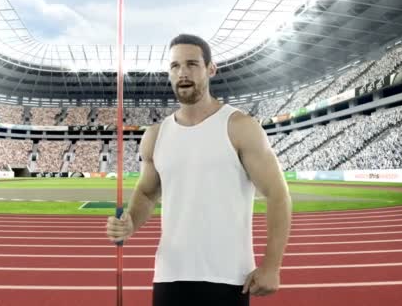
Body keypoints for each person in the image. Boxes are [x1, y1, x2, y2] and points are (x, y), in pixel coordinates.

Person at [106, 34, 292, 305]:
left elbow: (278, 194)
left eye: (192, 64)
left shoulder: (240, 126)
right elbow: (147, 194)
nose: (182, 73)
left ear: (210, 69)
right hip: (170, 275)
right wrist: (130, 223)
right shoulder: (156, 135)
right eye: (175, 66)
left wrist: (272, 265)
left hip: (229, 276)